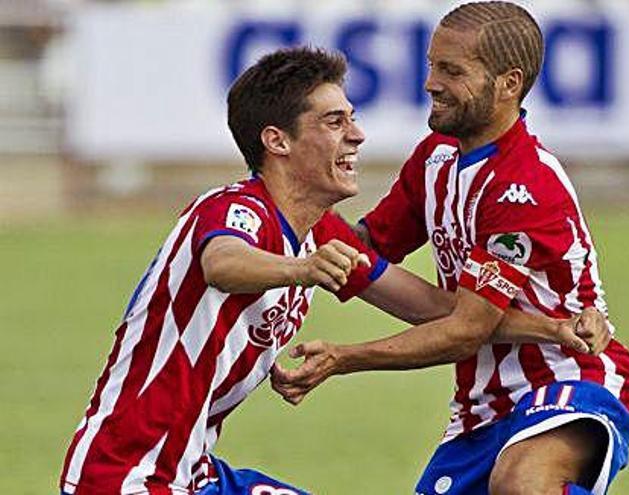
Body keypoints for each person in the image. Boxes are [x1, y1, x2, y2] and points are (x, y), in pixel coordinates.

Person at [59, 45, 595, 495]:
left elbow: (437, 310)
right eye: (335, 122)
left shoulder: (323, 234)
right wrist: (302, 268)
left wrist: (552, 328)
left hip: (193, 475)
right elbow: (222, 263)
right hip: (123, 478)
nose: (356, 136)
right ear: (278, 141)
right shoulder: (233, 210)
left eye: (353, 118)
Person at [270, 3, 629, 495]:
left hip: (570, 379)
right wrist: (290, 198)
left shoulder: (524, 185)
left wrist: (344, 356)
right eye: (431, 64)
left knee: (522, 483)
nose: (430, 82)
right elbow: (365, 254)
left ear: (509, 84)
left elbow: (466, 330)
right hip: (482, 407)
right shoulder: (436, 159)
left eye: (452, 70)